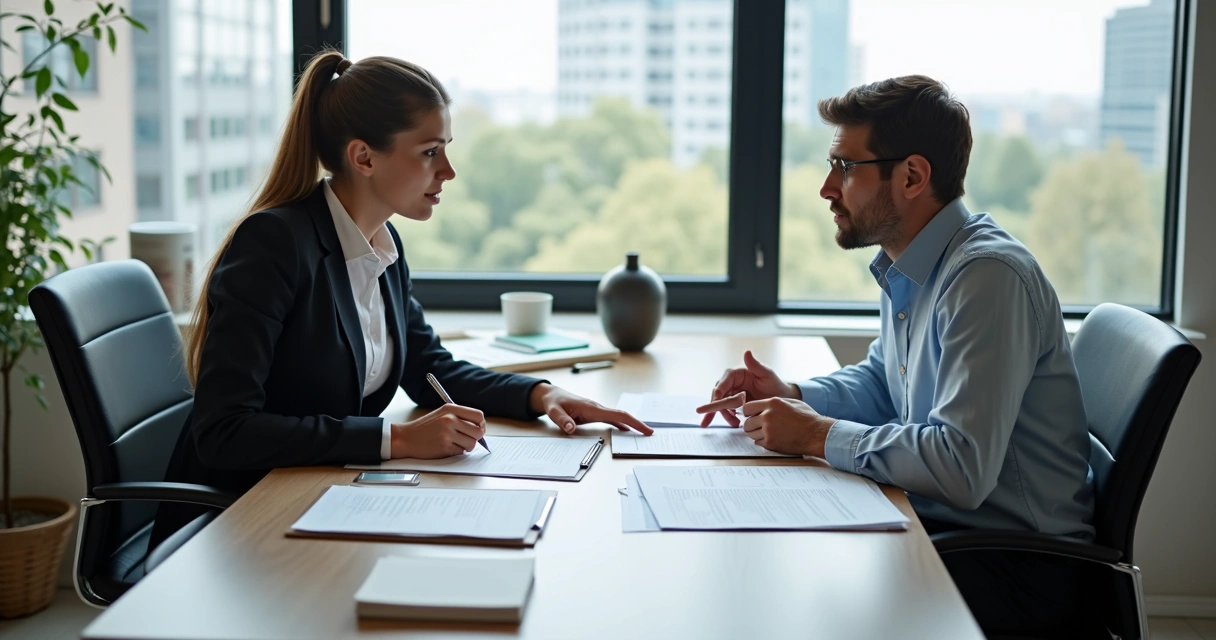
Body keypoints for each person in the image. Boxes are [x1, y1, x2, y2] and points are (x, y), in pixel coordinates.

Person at [151, 51, 652, 549]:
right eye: (430, 152)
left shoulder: (382, 243)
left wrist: (543, 396)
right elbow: (224, 431)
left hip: (321, 499)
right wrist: (398, 440)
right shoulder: (275, 244)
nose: (449, 171)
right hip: (236, 524)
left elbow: (430, 369)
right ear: (364, 157)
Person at [696, 76, 1098, 638]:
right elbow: (888, 384)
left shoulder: (986, 278)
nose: (826, 189)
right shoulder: (914, 264)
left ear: (911, 176)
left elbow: (960, 467)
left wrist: (816, 434)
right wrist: (792, 396)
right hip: (952, 530)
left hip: (1020, 566)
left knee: (796, 601)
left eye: (845, 168)